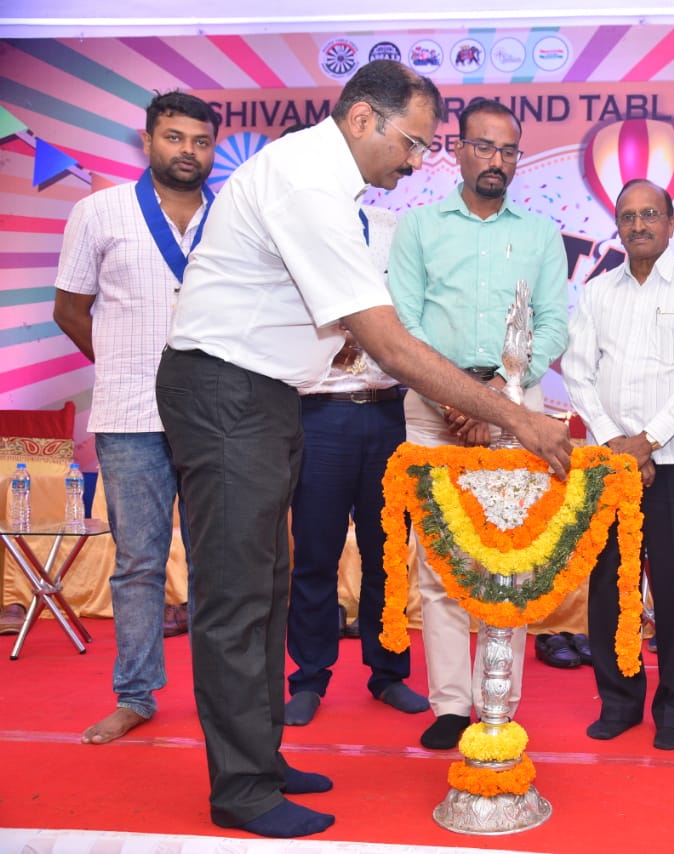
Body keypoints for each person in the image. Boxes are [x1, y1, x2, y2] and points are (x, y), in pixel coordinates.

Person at [154, 61, 571, 840]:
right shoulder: (308, 184)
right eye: (411, 142)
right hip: (225, 392)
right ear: (360, 120)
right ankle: (241, 788)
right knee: (237, 599)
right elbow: (387, 341)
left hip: (266, 396)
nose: (416, 161)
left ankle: (260, 759)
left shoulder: (329, 186)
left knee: (266, 589)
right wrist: (515, 420)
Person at [387, 98, 568, 751]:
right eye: (485, 147)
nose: (497, 160)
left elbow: (554, 324)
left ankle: (499, 701)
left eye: (509, 150)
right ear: (458, 151)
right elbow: (403, 324)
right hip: (432, 410)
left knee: (508, 560)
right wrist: (451, 397)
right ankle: (448, 704)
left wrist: (496, 397)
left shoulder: (542, 234)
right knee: (440, 561)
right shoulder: (418, 227)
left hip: (517, 413)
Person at [52, 90, 217, 746]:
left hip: (214, 416)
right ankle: (136, 695)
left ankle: (220, 696)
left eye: (200, 141)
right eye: (174, 137)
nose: (188, 151)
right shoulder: (99, 211)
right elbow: (70, 310)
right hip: (129, 414)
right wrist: (121, 363)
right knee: (139, 562)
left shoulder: (232, 217)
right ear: (148, 141)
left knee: (216, 564)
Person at [562, 179, 674, 751]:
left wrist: (647, 442)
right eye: (627, 216)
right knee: (610, 586)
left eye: (650, 214)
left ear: (672, 224)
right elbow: (578, 372)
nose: (638, 224)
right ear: (618, 227)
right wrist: (616, 444)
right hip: (610, 464)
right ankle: (619, 702)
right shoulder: (598, 292)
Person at [282, 150, 427, 726]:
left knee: (387, 553)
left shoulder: (395, 231)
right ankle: (309, 676)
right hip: (318, 413)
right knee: (314, 555)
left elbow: (412, 313)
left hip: (388, 412)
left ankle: (388, 671)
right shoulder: (294, 232)